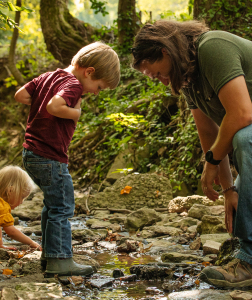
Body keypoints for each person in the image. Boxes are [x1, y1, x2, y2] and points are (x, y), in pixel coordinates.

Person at [131, 19, 252, 288]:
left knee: (245, 138)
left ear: (164, 51)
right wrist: (229, 188)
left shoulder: (213, 47)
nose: (159, 81)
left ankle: (249, 262)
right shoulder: (188, 79)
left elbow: (242, 114)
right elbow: (210, 135)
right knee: (243, 194)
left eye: (155, 73)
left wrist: (212, 162)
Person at [15, 41, 120, 276]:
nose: (95, 92)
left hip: (30, 153)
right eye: (99, 87)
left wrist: (41, 106)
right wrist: (75, 113)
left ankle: (49, 256)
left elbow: (21, 95)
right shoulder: (72, 84)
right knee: (62, 206)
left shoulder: (49, 77)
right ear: (89, 72)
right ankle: (60, 260)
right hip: (50, 155)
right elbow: (54, 106)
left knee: (52, 205)